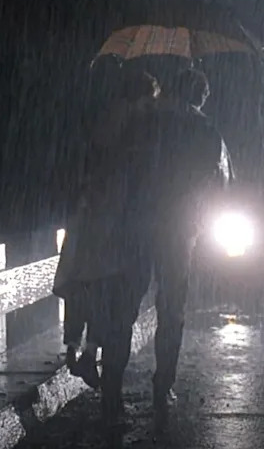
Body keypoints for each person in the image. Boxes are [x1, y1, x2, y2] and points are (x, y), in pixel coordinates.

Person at [96, 67, 229, 429]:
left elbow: (114, 166)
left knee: (123, 309)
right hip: (178, 230)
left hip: (135, 226)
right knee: (172, 310)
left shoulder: (142, 122)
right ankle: (163, 385)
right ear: (200, 96)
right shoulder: (206, 130)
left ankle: (111, 391)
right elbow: (219, 183)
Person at [52, 66, 161, 389]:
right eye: (149, 100)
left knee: (82, 286)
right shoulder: (130, 131)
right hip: (110, 222)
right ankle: (91, 356)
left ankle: (75, 347)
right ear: (140, 97)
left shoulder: (102, 123)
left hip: (89, 217)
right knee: (107, 293)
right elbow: (124, 177)